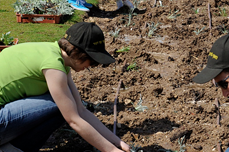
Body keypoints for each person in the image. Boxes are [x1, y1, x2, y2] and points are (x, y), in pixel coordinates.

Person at [0, 22, 131, 152]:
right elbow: (73, 120)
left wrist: (117, 142)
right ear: (79, 52)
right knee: (62, 106)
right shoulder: (53, 66)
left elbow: (81, 110)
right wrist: (112, 151)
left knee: (68, 103)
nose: (91, 66)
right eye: (92, 60)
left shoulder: (54, 54)